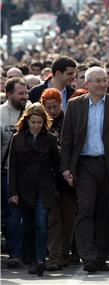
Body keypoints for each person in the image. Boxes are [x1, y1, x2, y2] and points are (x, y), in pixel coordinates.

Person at [60, 67, 109, 274]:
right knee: (86, 208)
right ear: (86, 84)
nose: (102, 84)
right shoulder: (74, 105)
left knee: (107, 212)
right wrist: (66, 168)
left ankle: (101, 256)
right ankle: (88, 256)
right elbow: (66, 139)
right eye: (97, 81)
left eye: (104, 80)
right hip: (85, 165)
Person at [8, 104, 60, 276]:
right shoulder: (18, 139)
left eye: (39, 122)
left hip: (44, 189)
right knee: (27, 226)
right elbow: (13, 168)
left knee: (41, 223)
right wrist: (13, 192)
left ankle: (40, 259)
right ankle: (30, 258)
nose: (36, 125)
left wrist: (55, 187)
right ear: (27, 121)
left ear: (44, 123)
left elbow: (56, 164)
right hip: (24, 189)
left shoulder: (50, 140)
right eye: (33, 122)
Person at [40, 89, 75, 271]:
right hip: (49, 179)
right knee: (53, 220)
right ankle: (54, 256)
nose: (52, 110)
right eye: (49, 107)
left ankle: (64, 254)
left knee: (68, 219)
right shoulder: (42, 123)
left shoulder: (68, 121)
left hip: (67, 178)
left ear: (61, 105)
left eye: (55, 106)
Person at [1, 77, 30, 268]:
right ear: (9, 93)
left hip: (27, 174)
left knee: (21, 214)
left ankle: (21, 253)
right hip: (4, 173)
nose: (24, 96)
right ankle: (15, 252)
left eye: (26, 92)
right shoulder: (1, 115)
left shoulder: (32, 110)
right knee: (10, 213)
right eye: (20, 93)